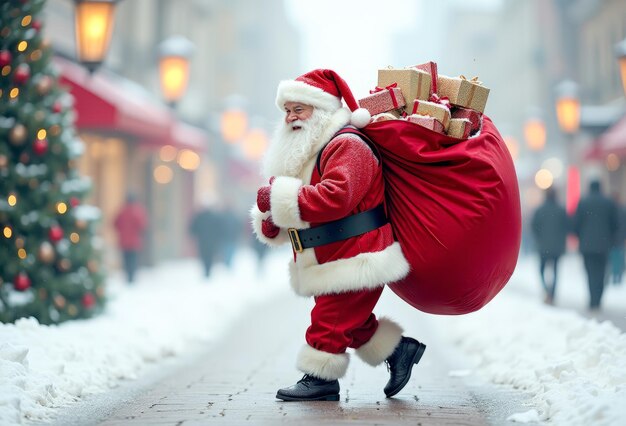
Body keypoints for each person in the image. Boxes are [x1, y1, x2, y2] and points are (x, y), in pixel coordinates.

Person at [250, 69, 426, 401]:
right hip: (330, 254)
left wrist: (279, 197)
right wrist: (273, 218)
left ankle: (320, 378)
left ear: (322, 109)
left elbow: (335, 196)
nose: (290, 117)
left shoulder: (348, 144)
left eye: (299, 109)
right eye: (287, 110)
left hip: (357, 254)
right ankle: (400, 352)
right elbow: (300, 199)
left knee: (330, 321)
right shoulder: (312, 148)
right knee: (352, 322)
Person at [573, 180, 618, 311]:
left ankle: (592, 298)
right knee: (602, 272)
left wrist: (580, 236)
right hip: (604, 244)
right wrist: (611, 237)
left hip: (587, 244)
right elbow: (615, 223)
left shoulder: (583, 202)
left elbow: (576, 223)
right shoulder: (608, 203)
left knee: (590, 272)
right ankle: (598, 299)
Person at [530, 187, 569, 305]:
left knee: (541, 270)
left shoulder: (540, 210)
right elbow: (567, 227)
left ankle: (547, 290)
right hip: (557, 247)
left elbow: (533, 226)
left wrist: (539, 238)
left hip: (543, 246)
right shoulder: (561, 210)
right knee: (556, 271)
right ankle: (552, 294)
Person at [113, 193, 148, 283]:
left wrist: (121, 231)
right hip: (134, 241)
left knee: (126, 259)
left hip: (123, 240)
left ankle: (128, 276)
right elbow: (142, 225)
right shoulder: (137, 211)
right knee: (133, 260)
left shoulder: (122, 211)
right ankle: (132, 277)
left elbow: (115, 223)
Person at [189, 199, 223, 278]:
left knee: (204, 255)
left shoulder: (199, 216)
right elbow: (219, 229)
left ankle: (206, 270)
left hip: (202, 240)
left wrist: (194, 235)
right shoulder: (215, 216)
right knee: (210, 255)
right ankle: (208, 270)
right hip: (212, 241)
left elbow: (193, 228)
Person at [608, 192, 626, 285]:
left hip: (612, 238)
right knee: (619, 257)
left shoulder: (609, 210)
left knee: (613, 257)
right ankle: (618, 275)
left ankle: (615, 275)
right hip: (620, 237)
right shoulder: (622, 210)